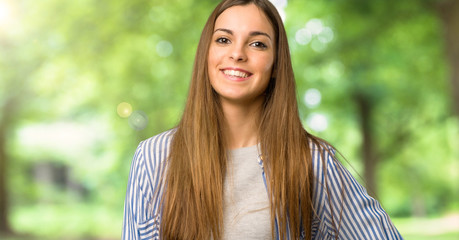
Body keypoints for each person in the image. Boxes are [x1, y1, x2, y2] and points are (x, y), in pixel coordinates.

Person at [122, 0, 403, 239]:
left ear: (277, 64)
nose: (237, 53)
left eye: (257, 44)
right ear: (206, 54)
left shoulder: (312, 161)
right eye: (223, 39)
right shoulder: (154, 158)